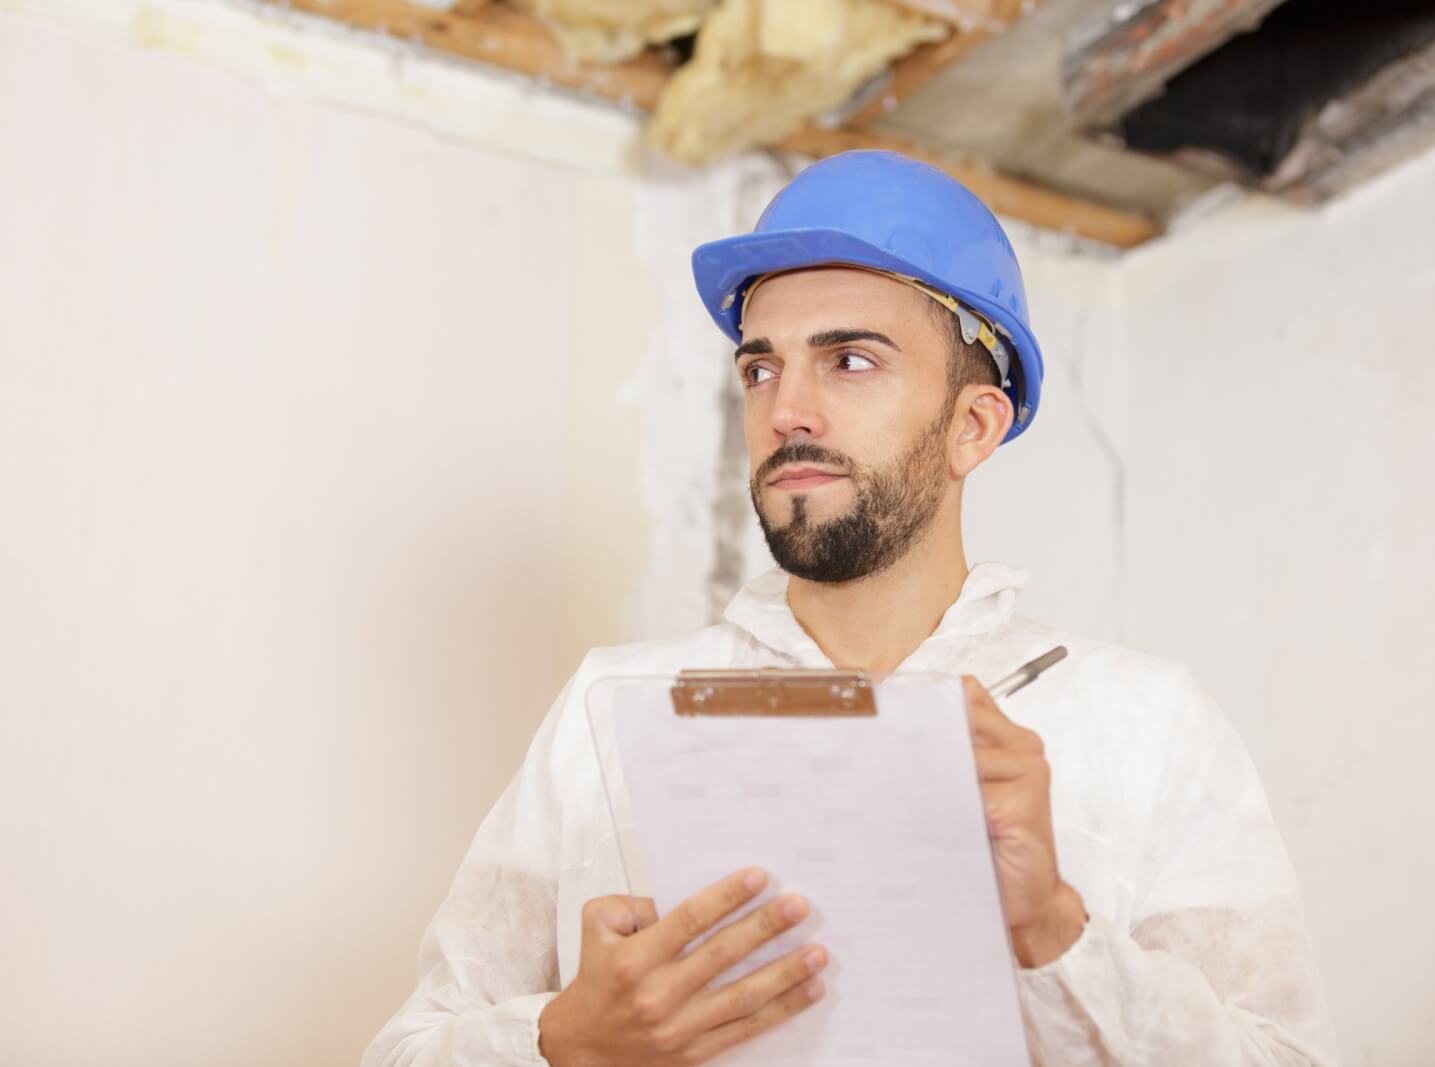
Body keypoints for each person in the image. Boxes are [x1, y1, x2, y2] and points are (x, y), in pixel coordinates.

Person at [361, 151, 1339, 1066]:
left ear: (972, 423)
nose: (786, 407)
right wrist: (565, 1037)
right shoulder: (608, 709)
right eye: (760, 366)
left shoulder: (1143, 725)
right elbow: (407, 1049)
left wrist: (1052, 928)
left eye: (850, 360)